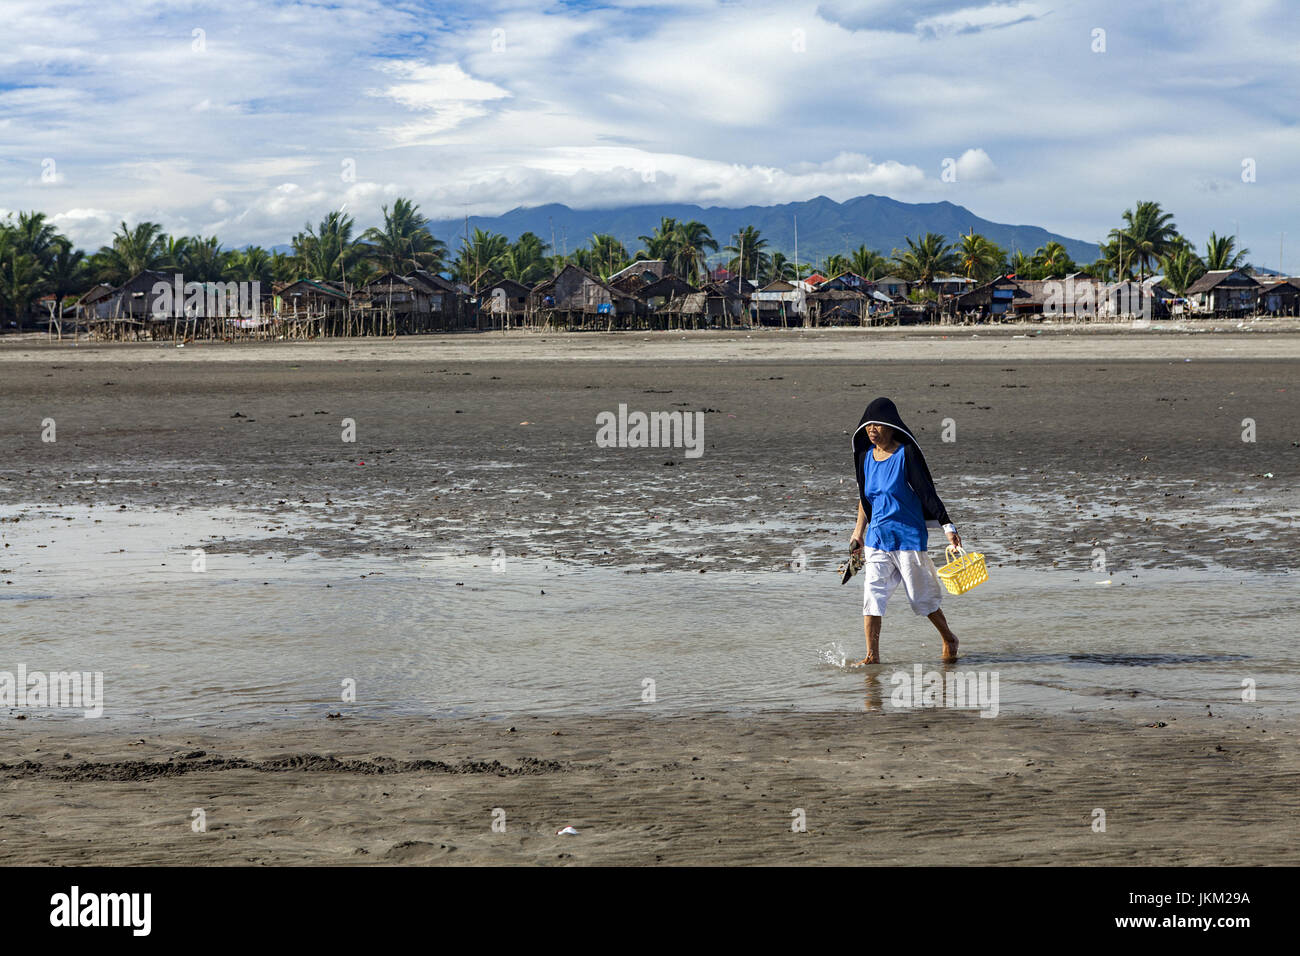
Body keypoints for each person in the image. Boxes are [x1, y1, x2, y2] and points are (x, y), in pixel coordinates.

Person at [849, 397, 961, 665]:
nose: (871, 429)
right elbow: (866, 500)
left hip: (908, 537)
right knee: (872, 597)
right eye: (867, 425)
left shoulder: (905, 454)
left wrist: (948, 527)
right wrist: (858, 533)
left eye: (876, 424)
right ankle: (872, 656)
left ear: (890, 426)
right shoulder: (866, 457)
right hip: (878, 538)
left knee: (920, 598)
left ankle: (948, 637)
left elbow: (926, 493)